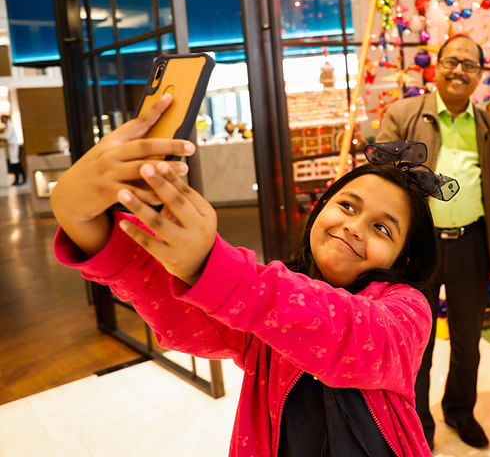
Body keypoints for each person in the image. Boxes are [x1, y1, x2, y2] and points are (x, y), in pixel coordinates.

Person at [50, 95, 443, 456]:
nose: (355, 227)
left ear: (403, 260)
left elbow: (348, 332)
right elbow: (170, 300)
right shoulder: (267, 305)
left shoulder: (407, 311)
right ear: (320, 209)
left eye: (382, 229)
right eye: (347, 206)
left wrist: (213, 267)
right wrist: (83, 220)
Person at [377, 34, 490, 449]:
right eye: (451, 62)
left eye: (469, 65)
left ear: (480, 74)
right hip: (417, 248)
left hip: (471, 245)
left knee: (467, 339)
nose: (459, 70)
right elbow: (380, 182)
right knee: (415, 341)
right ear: (436, 66)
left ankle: (460, 410)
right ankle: (417, 423)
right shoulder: (404, 114)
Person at [1, 114, 26, 186]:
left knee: (16, 163)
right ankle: (17, 179)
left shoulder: (10, 126)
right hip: (11, 147)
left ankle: (22, 178)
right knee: (15, 163)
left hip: (13, 146)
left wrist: (1, 136)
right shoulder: (8, 126)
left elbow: (7, 137)